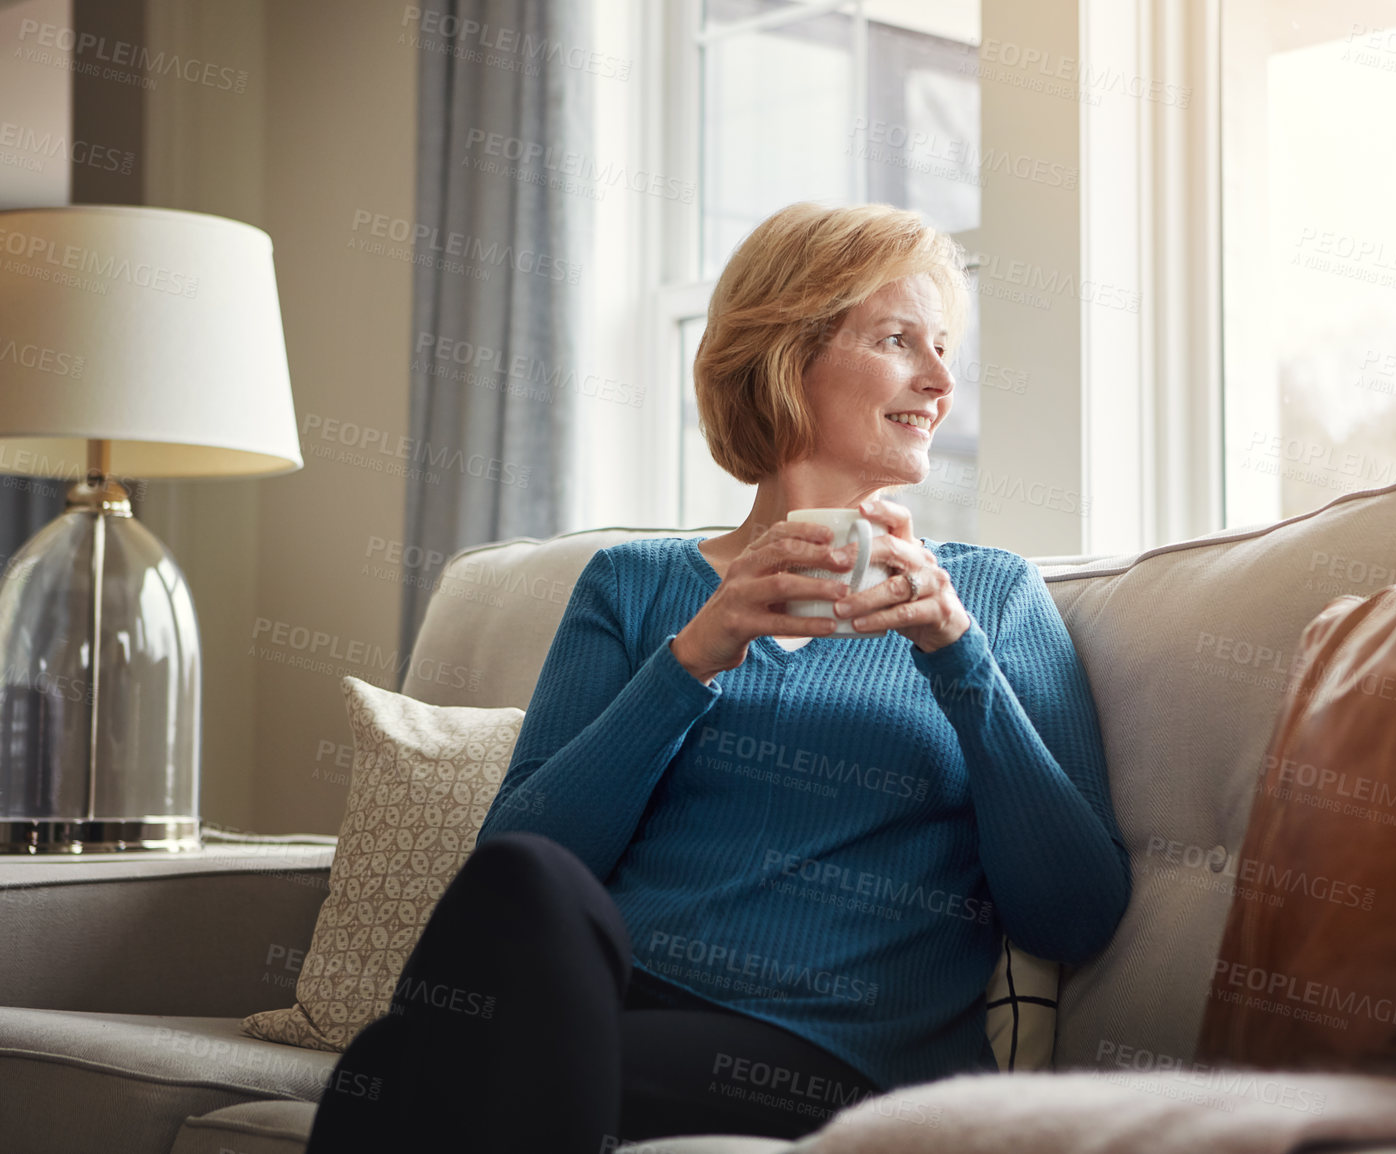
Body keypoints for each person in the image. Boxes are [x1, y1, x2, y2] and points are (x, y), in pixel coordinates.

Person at [307, 202, 1130, 1153]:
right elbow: (524, 858)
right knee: (511, 899)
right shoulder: (636, 587)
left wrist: (956, 656)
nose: (941, 381)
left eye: (943, 348)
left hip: (840, 1059)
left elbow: (1074, 912)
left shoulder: (992, 597)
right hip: (606, 1008)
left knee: (390, 1076)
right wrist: (690, 659)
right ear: (788, 355)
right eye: (899, 339)